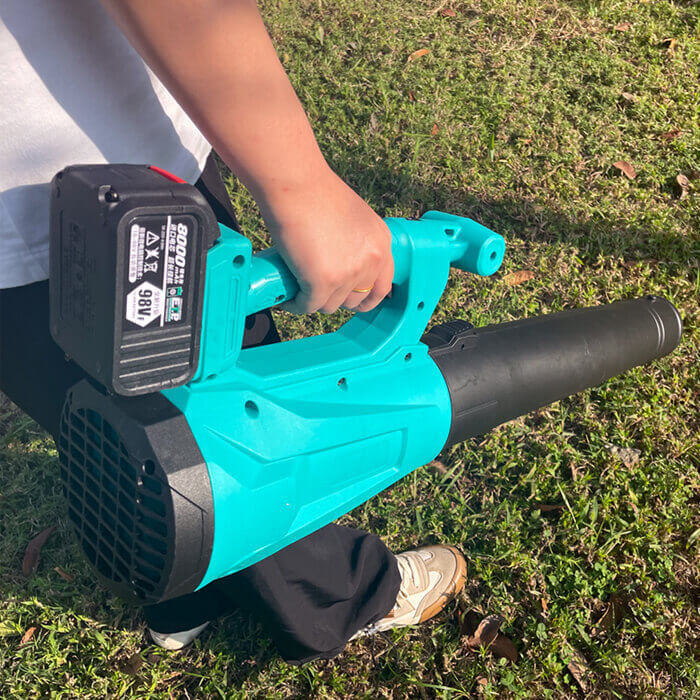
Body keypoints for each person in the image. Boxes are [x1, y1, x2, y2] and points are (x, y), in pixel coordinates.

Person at [0, 0, 466, 663]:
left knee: (99, 424)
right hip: (113, 174)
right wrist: (302, 188)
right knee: (242, 441)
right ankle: (340, 598)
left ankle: (182, 595)